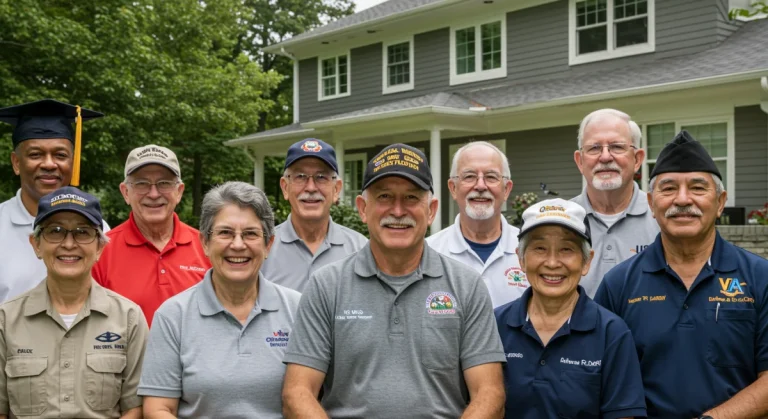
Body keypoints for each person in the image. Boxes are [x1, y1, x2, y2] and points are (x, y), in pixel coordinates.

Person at [282, 144, 506, 419]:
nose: (398, 211)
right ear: (363, 208)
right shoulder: (327, 286)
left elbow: (490, 394)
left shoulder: (466, 286)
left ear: (432, 210)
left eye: (411, 198)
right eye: (385, 196)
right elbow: (297, 393)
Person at [595, 131, 768, 418]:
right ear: (651, 203)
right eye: (669, 188)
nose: (683, 199)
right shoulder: (619, 283)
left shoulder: (760, 278)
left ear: (720, 201)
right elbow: (602, 378)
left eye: (698, 188)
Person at [138, 181, 301, 418]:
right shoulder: (173, 315)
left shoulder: (298, 309)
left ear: (268, 244)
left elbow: (311, 396)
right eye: (225, 233)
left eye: (250, 234)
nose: (237, 244)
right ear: (204, 242)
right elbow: (158, 408)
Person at [0, 186, 148, 419]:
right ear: (36, 244)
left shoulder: (129, 318)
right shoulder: (6, 320)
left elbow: (135, 408)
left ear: (100, 247)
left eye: (83, 232)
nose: (69, 244)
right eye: (55, 231)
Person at [495, 199, 646, 419]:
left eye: (567, 249)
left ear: (586, 262)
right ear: (521, 259)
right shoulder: (495, 326)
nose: (553, 262)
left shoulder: (611, 333)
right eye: (540, 248)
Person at [0, 99, 107, 303]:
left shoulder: (98, 231)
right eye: (35, 154)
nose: (49, 164)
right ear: (16, 162)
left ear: (72, 162)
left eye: (60, 155)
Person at [93, 144, 210, 326]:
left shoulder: (207, 247)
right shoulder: (100, 252)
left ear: (179, 192)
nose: (154, 194)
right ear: (125, 192)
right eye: (141, 184)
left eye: (164, 183)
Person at [428, 141, 527, 307]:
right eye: (469, 176)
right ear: (453, 188)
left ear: (506, 190)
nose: (480, 186)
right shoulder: (428, 253)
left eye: (491, 177)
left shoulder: (529, 249)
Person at [572, 109, 658, 297]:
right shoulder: (563, 219)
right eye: (594, 148)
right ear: (580, 161)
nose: (605, 157)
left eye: (617, 147)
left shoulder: (661, 217)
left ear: (637, 159)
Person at [261, 138, 366, 293]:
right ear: (285, 187)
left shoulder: (361, 249)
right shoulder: (262, 249)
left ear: (336, 189)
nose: (310, 188)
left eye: (321, 177)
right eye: (300, 177)